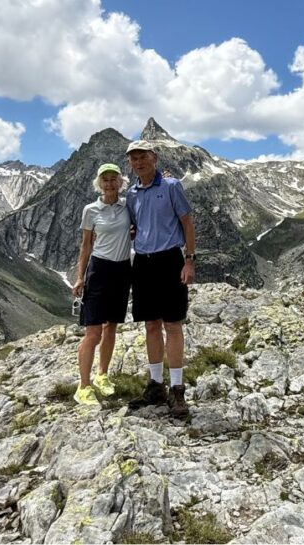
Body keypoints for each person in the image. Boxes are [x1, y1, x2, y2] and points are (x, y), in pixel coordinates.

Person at [124, 140, 196, 418]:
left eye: (142, 157)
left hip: (169, 260)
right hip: (142, 262)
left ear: (154, 157)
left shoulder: (171, 186)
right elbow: (134, 225)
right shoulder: (131, 194)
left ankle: (177, 389)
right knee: (151, 325)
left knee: (173, 324)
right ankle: (156, 385)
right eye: (133, 159)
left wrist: (189, 260)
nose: (138, 162)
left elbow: (187, 222)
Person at [70, 163, 133, 405]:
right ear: (99, 183)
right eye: (104, 179)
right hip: (99, 269)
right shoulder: (91, 210)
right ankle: (83, 386)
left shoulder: (128, 205)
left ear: (120, 182)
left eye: (113, 179)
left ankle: (102, 375)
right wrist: (80, 277)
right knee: (93, 331)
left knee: (111, 327)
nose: (109, 183)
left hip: (122, 270)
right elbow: (85, 246)